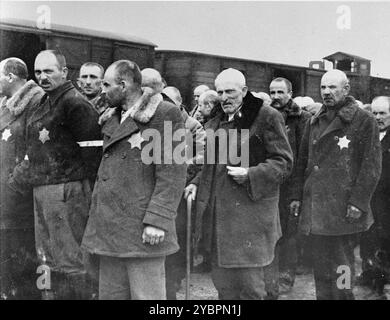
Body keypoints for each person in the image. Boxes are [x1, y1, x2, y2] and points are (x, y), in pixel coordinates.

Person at [81, 60, 187, 300]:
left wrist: (158, 220)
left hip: (143, 230)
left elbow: (173, 172)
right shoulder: (112, 117)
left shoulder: (165, 113)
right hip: (110, 231)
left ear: (123, 84)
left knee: (147, 298)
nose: (102, 90)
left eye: (106, 85)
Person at [185, 68, 293, 300]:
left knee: (251, 289)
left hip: (250, 220)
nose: (224, 97)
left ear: (244, 91)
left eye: (230, 91)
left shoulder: (266, 116)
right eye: (220, 92)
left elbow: (283, 161)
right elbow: (212, 163)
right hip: (217, 220)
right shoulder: (215, 121)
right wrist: (196, 182)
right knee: (223, 286)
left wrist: (251, 174)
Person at [290, 69, 382, 300]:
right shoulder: (315, 120)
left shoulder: (364, 120)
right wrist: (296, 197)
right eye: (323, 88)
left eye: (332, 87)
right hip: (317, 209)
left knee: (342, 265)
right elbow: (302, 162)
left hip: (343, 209)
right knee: (320, 266)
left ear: (346, 89)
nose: (327, 92)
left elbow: (371, 167)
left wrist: (358, 203)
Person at [19, 50, 102, 299]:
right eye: (38, 72)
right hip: (43, 187)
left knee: (71, 260)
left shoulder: (75, 103)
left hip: (67, 189)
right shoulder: (44, 100)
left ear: (64, 72)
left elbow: (92, 156)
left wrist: (79, 191)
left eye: (49, 71)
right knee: (50, 257)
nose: (43, 77)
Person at [0, 57, 44, 299]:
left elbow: (36, 150)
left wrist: (13, 184)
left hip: (20, 200)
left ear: (10, 77)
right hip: (7, 199)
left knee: (22, 261)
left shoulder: (35, 101)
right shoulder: (7, 103)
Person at [265, 77, 311, 297]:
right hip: (269, 185)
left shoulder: (302, 119)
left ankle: (285, 277)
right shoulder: (265, 116)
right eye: (272, 92)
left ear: (290, 93)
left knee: (288, 235)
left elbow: (302, 158)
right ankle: (269, 278)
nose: (275, 97)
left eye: (280, 92)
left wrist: (296, 194)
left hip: (290, 187)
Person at [161, 84, 206, 299]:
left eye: (171, 102)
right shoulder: (157, 122)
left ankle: (175, 279)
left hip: (182, 189)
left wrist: (182, 167)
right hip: (161, 191)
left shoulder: (193, 126)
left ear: (180, 103)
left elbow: (203, 156)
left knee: (179, 240)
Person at [359, 96, 390, 298]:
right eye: (375, 113)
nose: (378, 117)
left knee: (386, 238)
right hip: (368, 197)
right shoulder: (366, 135)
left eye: (383, 114)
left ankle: (385, 281)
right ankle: (369, 273)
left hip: (387, 199)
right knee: (367, 236)